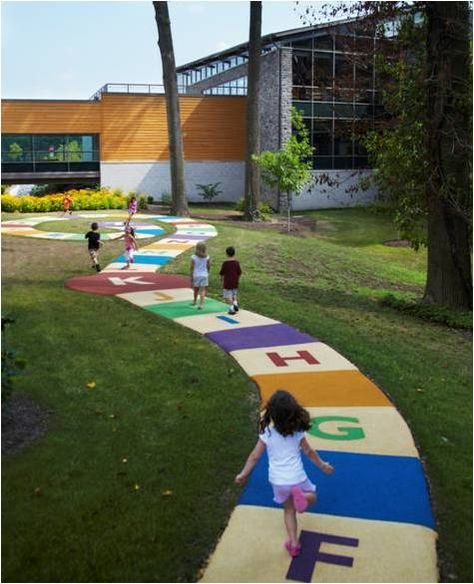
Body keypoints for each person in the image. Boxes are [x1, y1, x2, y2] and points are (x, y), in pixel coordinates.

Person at [235, 390, 334, 558]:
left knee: (289, 511)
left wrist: (243, 474)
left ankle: (294, 544)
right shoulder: (298, 432)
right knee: (313, 496)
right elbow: (309, 452)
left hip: (278, 481)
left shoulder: (266, 433)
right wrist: (322, 465)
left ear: (272, 414)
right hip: (297, 477)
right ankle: (304, 496)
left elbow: (254, 456)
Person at [219, 246, 242, 315]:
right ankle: (235, 303)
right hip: (235, 282)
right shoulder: (237, 262)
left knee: (227, 296)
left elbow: (222, 273)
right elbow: (239, 272)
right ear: (234, 253)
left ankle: (232, 308)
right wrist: (238, 279)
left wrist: (221, 280)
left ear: (226, 254)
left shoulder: (225, 263)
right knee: (234, 294)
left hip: (227, 282)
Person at [190, 242, 210, 309]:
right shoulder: (207, 257)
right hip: (204, 275)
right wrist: (208, 272)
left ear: (196, 248)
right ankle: (201, 304)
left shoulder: (193, 257)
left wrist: (191, 276)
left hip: (196, 275)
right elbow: (208, 266)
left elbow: (191, 267)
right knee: (203, 290)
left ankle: (194, 301)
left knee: (195, 289)